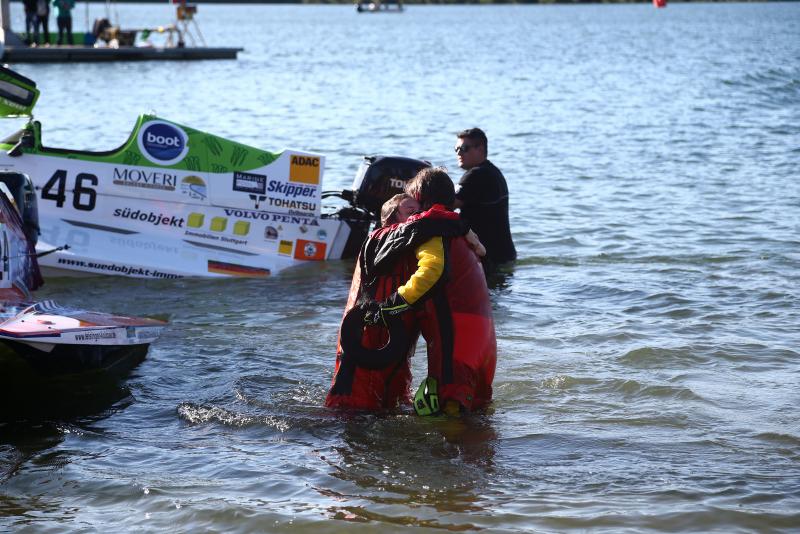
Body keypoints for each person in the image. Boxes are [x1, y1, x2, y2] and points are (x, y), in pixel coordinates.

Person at [363, 168, 497, 416]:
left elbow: (433, 270)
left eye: (413, 202)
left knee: (451, 407)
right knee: (476, 406)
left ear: (421, 197)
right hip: (480, 331)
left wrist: (394, 304)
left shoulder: (432, 227)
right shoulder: (456, 227)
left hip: (456, 331)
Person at [452, 128, 516, 273]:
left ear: (480, 149)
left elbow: (447, 205)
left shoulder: (477, 175)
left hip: (489, 259)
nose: (459, 153)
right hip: (503, 255)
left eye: (464, 148)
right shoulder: (493, 172)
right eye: (456, 149)